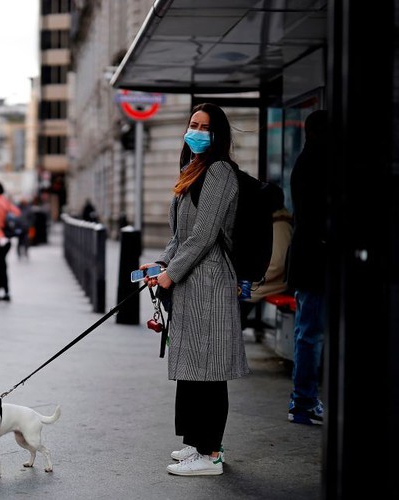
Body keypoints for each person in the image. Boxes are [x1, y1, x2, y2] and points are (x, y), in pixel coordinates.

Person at [139, 102, 250, 476]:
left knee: (209, 370)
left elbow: (204, 236)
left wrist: (171, 273)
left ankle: (211, 454)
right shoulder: (193, 171)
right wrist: (160, 264)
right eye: (193, 124)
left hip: (211, 283)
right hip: (192, 282)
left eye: (204, 126)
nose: (196, 131)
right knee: (192, 369)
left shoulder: (219, 173)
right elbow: (180, 235)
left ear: (217, 134)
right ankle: (196, 444)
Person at [285, 109, 328, 426]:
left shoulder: (306, 160)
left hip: (307, 260)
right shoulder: (316, 164)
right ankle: (303, 402)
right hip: (315, 262)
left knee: (308, 332)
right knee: (310, 334)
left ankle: (304, 400)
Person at [240, 183, 293, 338]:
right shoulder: (275, 220)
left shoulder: (280, 225)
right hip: (267, 280)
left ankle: (235, 328)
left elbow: (277, 264)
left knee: (240, 292)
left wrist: (251, 275)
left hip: (272, 282)